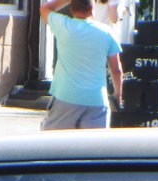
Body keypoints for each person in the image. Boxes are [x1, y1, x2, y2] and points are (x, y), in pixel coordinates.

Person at [39, 0, 124, 130]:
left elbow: (45, 7)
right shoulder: (106, 32)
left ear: (71, 10)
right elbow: (116, 70)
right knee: (92, 148)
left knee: (55, 145)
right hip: (97, 101)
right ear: (92, 10)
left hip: (65, 97)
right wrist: (118, 94)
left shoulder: (63, 25)